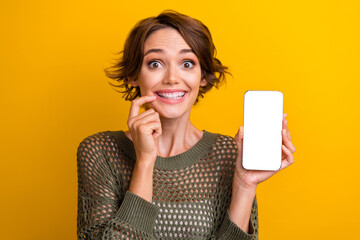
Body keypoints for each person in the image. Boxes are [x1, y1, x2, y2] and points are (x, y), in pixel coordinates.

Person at [76, 10, 296, 240]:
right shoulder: (100, 151)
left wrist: (244, 186)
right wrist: (145, 162)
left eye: (187, 63)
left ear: (203, 77)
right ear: (133, 74)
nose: (172, 77)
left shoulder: (229, 154)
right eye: (155, 63)